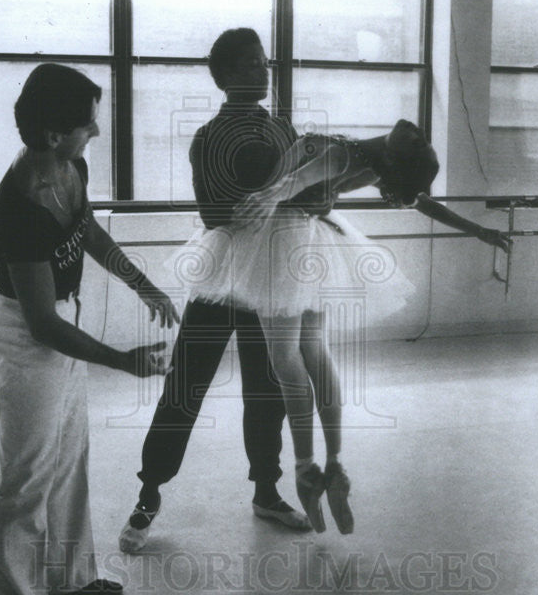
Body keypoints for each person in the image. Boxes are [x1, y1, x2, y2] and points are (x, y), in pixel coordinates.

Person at [190, 118, 511, 534]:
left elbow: (297, 183)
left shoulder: (363, 155)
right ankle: (336, 463)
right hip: (314, 239)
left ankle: (307, 469)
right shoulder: (365, 161)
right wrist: (478, 230)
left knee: (286, 356)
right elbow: (307, 180)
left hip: (285, 236)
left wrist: (256, 205)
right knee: (315, 350)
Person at [0, 63, 179, 595]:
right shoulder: (21, 206)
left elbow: (88, 231)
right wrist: (123, 361)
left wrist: (140, 282)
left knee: (69, 457)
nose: (95, 130)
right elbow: (41, 325)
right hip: (30, 336)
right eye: (86, 124)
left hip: (59, 324)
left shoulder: (70, 169)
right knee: (24, 485)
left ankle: (67, 580)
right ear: (49, 134)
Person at [119, 28, 327, 553]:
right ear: (229, 75)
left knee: (268, 388)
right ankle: (147, 497)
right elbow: (213, 214)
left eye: (264, 62)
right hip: (226, 268)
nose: (264, 70)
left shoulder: (281, 128)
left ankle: (266, 492)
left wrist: (296, 194)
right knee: (186, 383)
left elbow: (313, 195)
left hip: (274, 270)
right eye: (253, 64)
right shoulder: (210, 136)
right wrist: (269, 200)